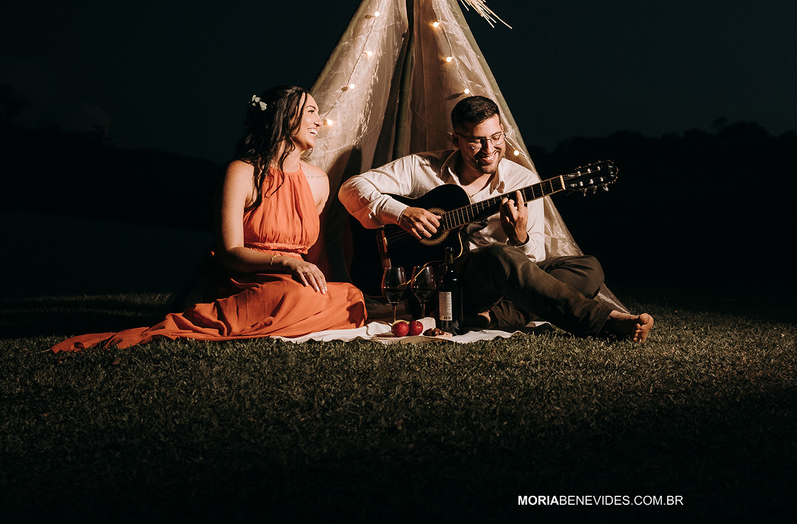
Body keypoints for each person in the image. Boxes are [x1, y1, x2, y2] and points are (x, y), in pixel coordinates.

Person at [52, 86, 367, 352]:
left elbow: (318, 255)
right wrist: (287, 263)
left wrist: (324, 288)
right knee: (293, 294)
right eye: (310, 111)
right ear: (283, 116)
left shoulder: (318, 180)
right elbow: (230, 252)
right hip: (245, 278)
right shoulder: (242, 172)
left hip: (294, 282)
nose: (319, 121)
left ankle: (296, 313)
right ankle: (267, 315)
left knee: (351, 297)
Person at [339, 96, 653, 342]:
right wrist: (401, 212)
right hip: (447, 286)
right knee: (497, 256)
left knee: (587, 268)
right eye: (476, 141)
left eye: (496, 137)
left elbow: (533, 262)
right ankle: (603, 321)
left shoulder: (523, 181)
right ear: (456, 140)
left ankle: (488, 318)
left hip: (503, 287)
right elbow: (350, 188)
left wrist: (521, 237)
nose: (489, 150)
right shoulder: (423, 167)